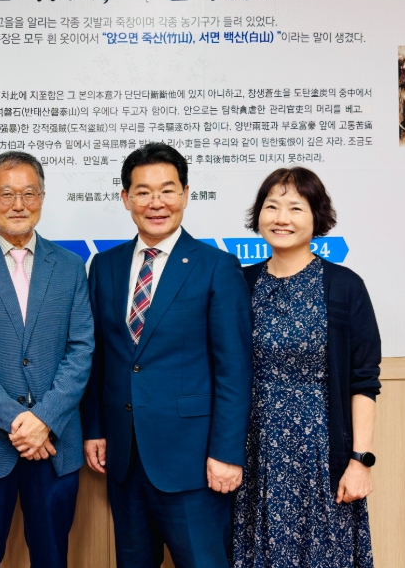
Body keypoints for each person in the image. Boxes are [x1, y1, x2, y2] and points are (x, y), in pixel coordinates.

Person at [82, 143, 253, 567]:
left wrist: (227, 454)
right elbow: (98, 358)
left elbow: (233, 370)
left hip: (194, 462)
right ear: (126, 198)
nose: (156, 203)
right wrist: (95, 429)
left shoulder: (216, 266)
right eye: (143, 192)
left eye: (167, 190)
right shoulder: (104, 266)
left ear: (185, 194)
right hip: (124, 459)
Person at [0, 151, 94, 568]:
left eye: (29, 193)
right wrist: (19, 422)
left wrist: (44, 420)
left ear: (42, 198)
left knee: (52, 558)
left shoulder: (70, 267)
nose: (18, 204)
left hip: (54, 444)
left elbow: (81, 350)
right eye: (6, 194)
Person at [233, 167, 380, 567]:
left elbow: (363, 381)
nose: (282, 218)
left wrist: (359, 461)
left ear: (317, 216)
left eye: (296, 208)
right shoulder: (239, 284)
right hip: (254, 455)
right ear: (259, 215)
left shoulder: (344, 286)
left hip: (321, 456)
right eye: (272, 206)